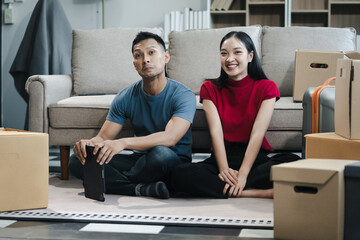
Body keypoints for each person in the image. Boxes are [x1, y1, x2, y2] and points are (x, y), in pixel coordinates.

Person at [171, 31, 300, 199]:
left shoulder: (267, 87)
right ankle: (252, 192)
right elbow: (216, 132)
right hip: (222, 158)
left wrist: (244, 174)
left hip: (254, 159)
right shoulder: (209, 88)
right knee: (179, 173)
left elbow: (257, 133)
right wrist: (224, 170)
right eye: (224, 53)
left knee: (294, 162)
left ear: (250, 56)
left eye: (237, 52)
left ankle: (231, 189)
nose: (229, 58)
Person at [69, 31, 196, 199]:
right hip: (139, 161)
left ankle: (112, 182)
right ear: (134, 63)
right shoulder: (126, 96)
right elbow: (104, 137)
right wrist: (88, 145)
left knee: (161, 154)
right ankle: (140, 189)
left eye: (152, 52)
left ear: (165, 57)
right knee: (77, 161)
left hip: (171, 160)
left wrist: (123, 143)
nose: (146, 59)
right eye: (138, 55)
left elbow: (170, 138)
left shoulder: (183, 94)